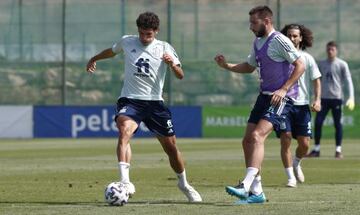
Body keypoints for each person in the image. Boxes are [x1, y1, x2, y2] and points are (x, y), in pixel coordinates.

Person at [86, 11, 202, 202]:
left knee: (171, 148)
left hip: (155, 104)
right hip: (130, 100)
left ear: (156, 31)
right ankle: (125, 182)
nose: (144, 37)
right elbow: (111, 51)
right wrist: (95, 58)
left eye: (148, 34)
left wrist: (172, 65)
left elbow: (180, 75)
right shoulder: (127, 41)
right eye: (141, 33)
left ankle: (184, 183)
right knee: (124, 131)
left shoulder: (165, 47)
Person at [214, 6, 304, 204]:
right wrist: (227, 66)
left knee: (257, 136)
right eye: (250, 23)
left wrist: (284, 89)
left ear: (267, 21)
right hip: (264, 97)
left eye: (254, 23)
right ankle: (257, 192)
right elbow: (249, 66)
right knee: (247, 141)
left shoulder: (280, 40)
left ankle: (245, 184)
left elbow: (300, 65)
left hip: (282, 98)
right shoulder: (257, 42)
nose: (250, 27)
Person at [278, 24, 321, 188]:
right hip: (284, 104)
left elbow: (316, 80)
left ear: (301, 38)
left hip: (302, 106)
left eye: (295, 36)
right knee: (286, 139)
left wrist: (317, 100)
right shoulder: (279, 56)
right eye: (289, 35)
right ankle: (290, 177)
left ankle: (296, 162)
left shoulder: (307, 58)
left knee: (304, 144)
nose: (292, 38)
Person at [307, 41, 355, 159]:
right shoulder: (322, 64)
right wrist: (314, 96)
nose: (330, 51)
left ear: (336, 50)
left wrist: (351, 97)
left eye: (332, 49)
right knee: (318, 123)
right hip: (323, 99)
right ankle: (316, 149)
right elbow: (316, 80)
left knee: (338, 124)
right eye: (328, 49)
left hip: (337, 99)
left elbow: (348, 80)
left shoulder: (342, 64)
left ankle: (338, 150)